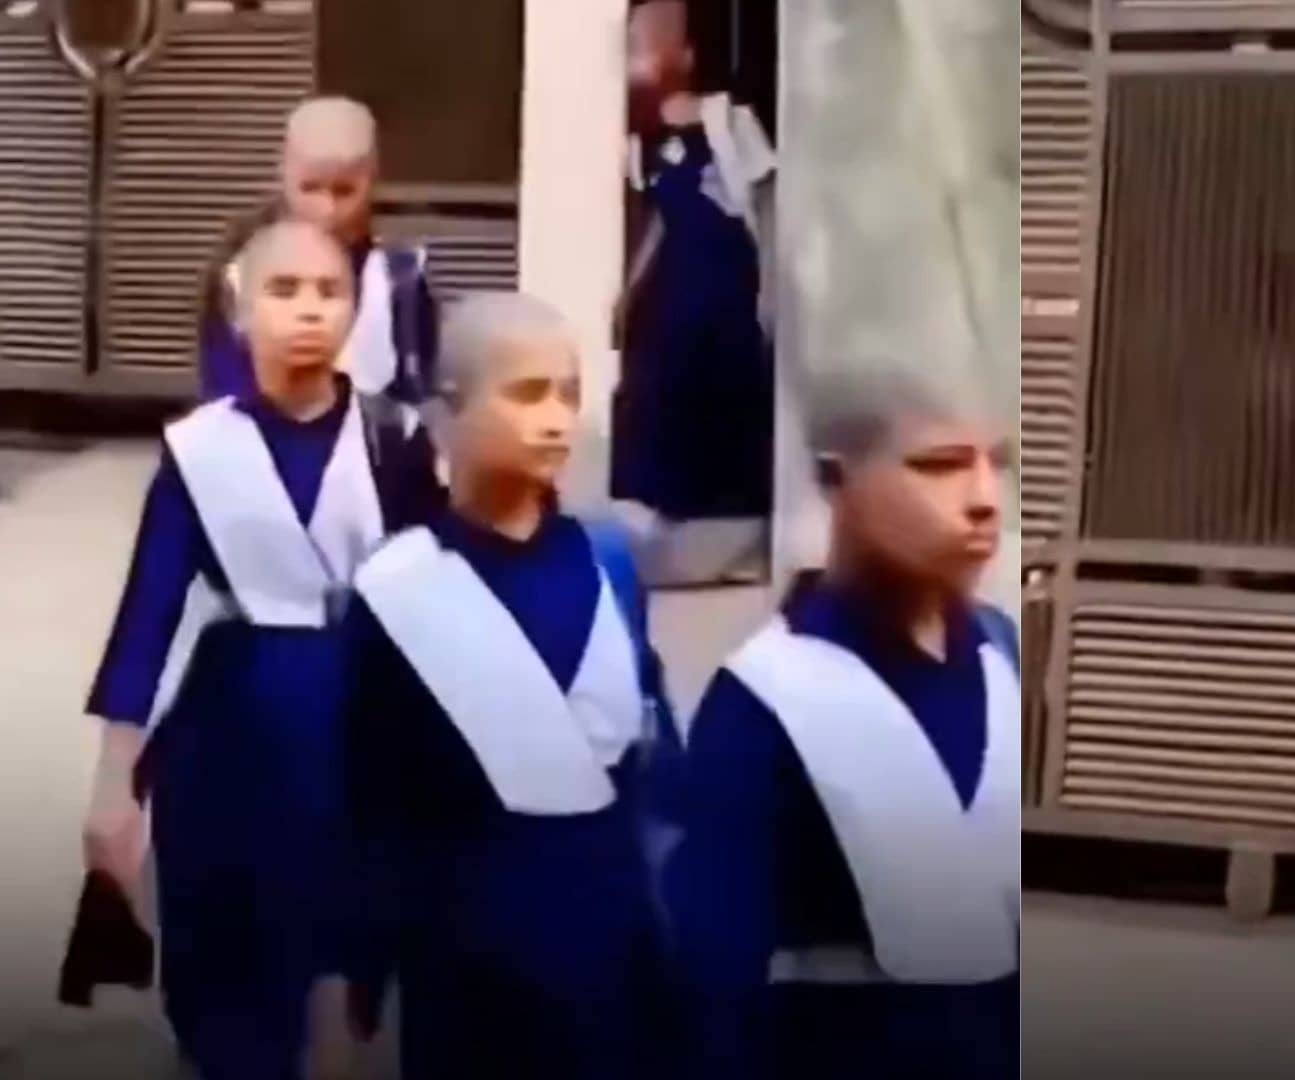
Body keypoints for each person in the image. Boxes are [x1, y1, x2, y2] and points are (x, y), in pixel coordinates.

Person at [80, 219, 442, 1080]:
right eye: (284, 290)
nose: (309, 310)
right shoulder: (198, 449)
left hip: (357, 717)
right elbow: (149, 611)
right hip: (229, 722)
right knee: (227, 955)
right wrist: (114, 779)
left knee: (342, 954)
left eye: (330, 291)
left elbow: (440, 601)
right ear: (239, 310)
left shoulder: (392, 439)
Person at [341, 293, 677, 1079]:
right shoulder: (399, 588)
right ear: (448, 415)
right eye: (526, 394)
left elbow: (656, 758)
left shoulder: (609, 563)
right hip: (467, 959)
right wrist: (353, 971)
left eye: (569, 394)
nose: (556, 419)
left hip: (614, 939)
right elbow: (367, 800)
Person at [666, 365, 1018, 1080]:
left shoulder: (1002, 653)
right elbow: (713, 992)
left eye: (998, 463)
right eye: (939, 466)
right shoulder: (765, 696)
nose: (984, 499)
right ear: (836, 480)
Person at [611, 0, 777, 585]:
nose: (636, 62)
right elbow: (645, 225)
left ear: (683, 54)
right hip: (669, 297)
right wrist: (627, 295)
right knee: (661, 396)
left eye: (647, 46)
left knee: (729, 396)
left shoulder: (727, 120)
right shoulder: (632, 140)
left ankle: (734, 531)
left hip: (725, 287)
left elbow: (765, 206)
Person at [199, 96, 439, 405]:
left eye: (345, 191)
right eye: (310, 188)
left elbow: (416, 395)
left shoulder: (400, 279)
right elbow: (222, 395)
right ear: (284, 172)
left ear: (372, 179)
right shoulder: (239, 270)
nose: (327, 209)